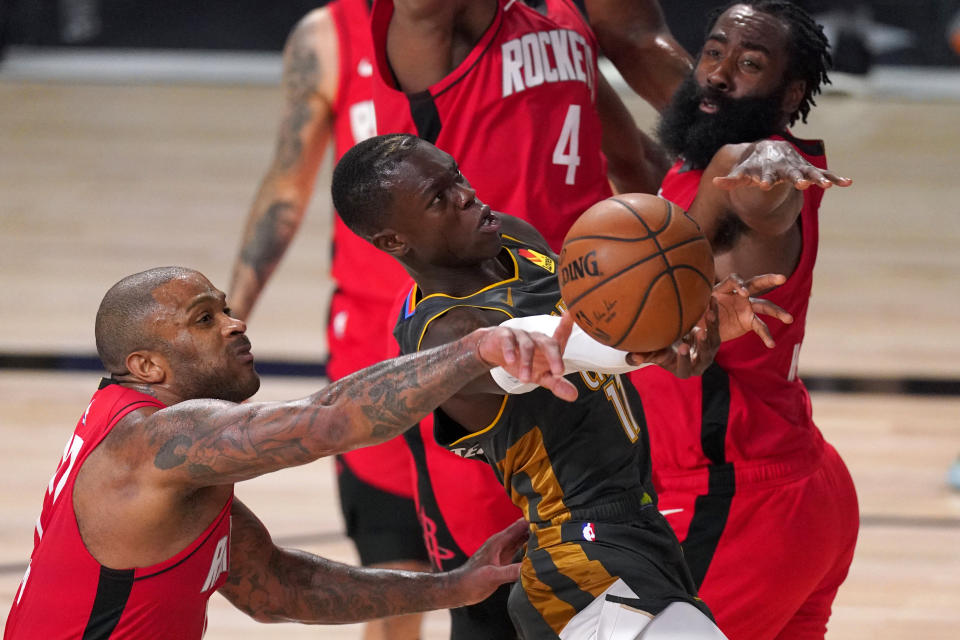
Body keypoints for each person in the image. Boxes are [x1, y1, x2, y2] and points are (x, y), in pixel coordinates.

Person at [330, 133, 793, 638]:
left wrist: (684, 338)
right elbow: (545, 345)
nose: (466, 194)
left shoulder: (513, 239)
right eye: (438, 199)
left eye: (456, 175)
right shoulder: (439, 337)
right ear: (394, 241)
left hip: (639, 527)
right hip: (579, 557)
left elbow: (607, 330)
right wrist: (653, 339)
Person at [3, 265, 578, 639]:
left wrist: (452, 587)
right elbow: (328, 421)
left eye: (225, 308)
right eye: (205, 319)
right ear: (147, 367)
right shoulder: (156, 442)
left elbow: (273, 587)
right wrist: (475, 349)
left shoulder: (157, 454)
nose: (235, 324)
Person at [368, 1, 688, 633]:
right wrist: (643, 331)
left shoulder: (566, 18)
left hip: (583, 321)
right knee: (488, 602)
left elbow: (638, 162)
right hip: (482, 361)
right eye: (444, 191)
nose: (464, 193)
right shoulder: (441, 25)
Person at [628, 2, 859, 639]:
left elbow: (764, 192)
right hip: (793, 482)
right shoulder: (694, 162)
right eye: (713, 52)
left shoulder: (758, 169)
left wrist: (758, 162)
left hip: (730, 499)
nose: (719, 74)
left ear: (789, 94)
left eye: (749, 64)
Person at [225, 3, 433, 637]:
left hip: (492, 326)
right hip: (376, 341)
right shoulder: (328, 36)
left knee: (512, 572)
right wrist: (228, 320)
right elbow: (286, 187)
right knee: (397, 574)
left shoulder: (511, 29)